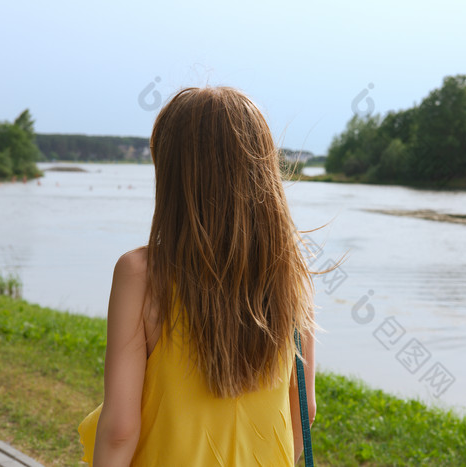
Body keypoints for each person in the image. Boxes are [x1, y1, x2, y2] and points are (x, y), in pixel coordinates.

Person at [78, 86, 318, 466]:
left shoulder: (141, 274)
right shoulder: (290, 274)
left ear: (171, 171)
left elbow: (121, 429)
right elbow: (303, 409)